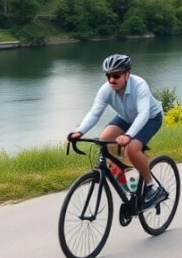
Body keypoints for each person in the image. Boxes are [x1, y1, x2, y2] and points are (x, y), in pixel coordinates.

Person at [68, 54, 167, 207]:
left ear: (127, 74)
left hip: (150, 118)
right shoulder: (106, 89)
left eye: (116, 75)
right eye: (108, 76)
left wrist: (128, 135)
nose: (111, 80)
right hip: (126, 118)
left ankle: (151, 187)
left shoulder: (139, 85)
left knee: (132, 149)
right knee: (103, 142)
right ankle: (125, 182)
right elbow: (95, 113)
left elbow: (143, 113)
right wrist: (79, 132)